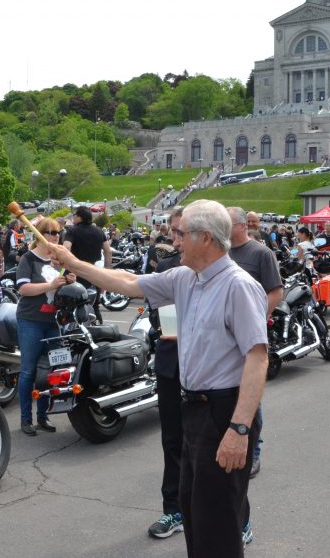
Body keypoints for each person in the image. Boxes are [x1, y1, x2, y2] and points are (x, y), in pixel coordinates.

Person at [49, 199, 268, 557]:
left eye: (181, 235)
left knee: (218, 522)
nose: (174, 242)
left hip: (224, 412)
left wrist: (240, 429)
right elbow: (128, 282)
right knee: (195, 513)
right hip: (194, 408)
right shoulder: (186, 277)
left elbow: (257, 358)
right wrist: (74, 264)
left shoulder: (237, 286)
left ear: (207, 239)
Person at [227, 207, 284, 482]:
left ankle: (255, 452)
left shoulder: (261, 253)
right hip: (225, 338)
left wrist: (257, 318)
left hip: (250, 336)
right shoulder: (222, 253)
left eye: (226, 223)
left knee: (251, 394)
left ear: (240, 226)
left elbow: (276, 292)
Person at [146, 205, 186, 539]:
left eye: (180, 232)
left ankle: (227, 515)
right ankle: (173, 510)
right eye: (172, 231)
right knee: (172, 439)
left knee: (211, 442)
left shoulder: (223, 270)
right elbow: (157, 312)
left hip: (211, 368)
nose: (173, 239)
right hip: (172, 360)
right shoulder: (169, 267)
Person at [15, 216, 73, 436]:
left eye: (58, 232)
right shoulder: (28, 259)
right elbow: (23, 289)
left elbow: (62, 290)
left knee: (51, 370)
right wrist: (50, 284)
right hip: (30, 320)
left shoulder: (58, 261)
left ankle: (43, 416)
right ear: (39, 236)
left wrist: (70, 281)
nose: (55, 236)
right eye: (50, 232)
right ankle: (26, 419)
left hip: (53, 321)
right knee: (29, 370)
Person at [63, 206, 112, 322]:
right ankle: (98, 329)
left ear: (79, 217)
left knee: (69, 306)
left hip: (74, 273)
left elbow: (66, 248)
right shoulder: (99, 231)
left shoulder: (72, 231)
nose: (73, 218)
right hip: (93, 273)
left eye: (74, 215)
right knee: (94, 305)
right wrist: (107, 270)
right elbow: (108, 251)